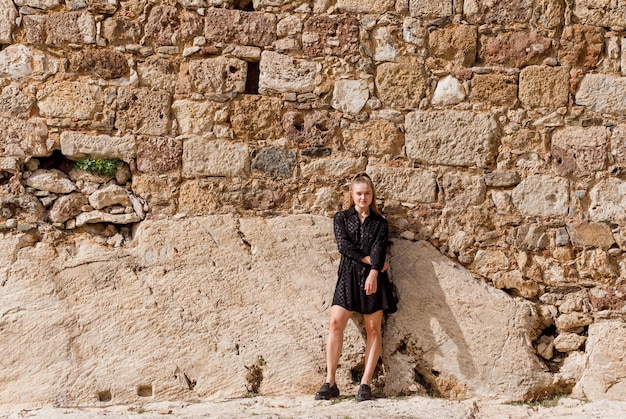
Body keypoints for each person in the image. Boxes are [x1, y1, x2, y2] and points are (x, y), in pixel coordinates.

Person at [315, 172, 397, 402]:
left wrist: (374, 271)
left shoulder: (380, 223)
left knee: (373, 329)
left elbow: (380, 250)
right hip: (348, 277)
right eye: (359, 193)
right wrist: (372, 261)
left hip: (372, 279)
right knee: (335, 323)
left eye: (367, 193)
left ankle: (365, 385)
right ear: (352, 194)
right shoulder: (341, 218)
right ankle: (330, 382)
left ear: (373, 195)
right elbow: (344, 246)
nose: (363, 197)